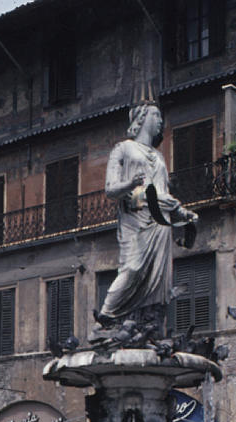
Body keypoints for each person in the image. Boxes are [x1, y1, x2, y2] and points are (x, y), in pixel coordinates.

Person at [98, 99, 198, 323]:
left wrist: (183, 212)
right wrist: (130, 184)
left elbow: (164, 193)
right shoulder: (123, 149)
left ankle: (147, 324)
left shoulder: (159, 157)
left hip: (160, 219)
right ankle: (106, 315)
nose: (160, 121)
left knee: (158, 276)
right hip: (136, 215)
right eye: (156, 115)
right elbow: (110, 189)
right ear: (141, 118)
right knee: (132, 268)